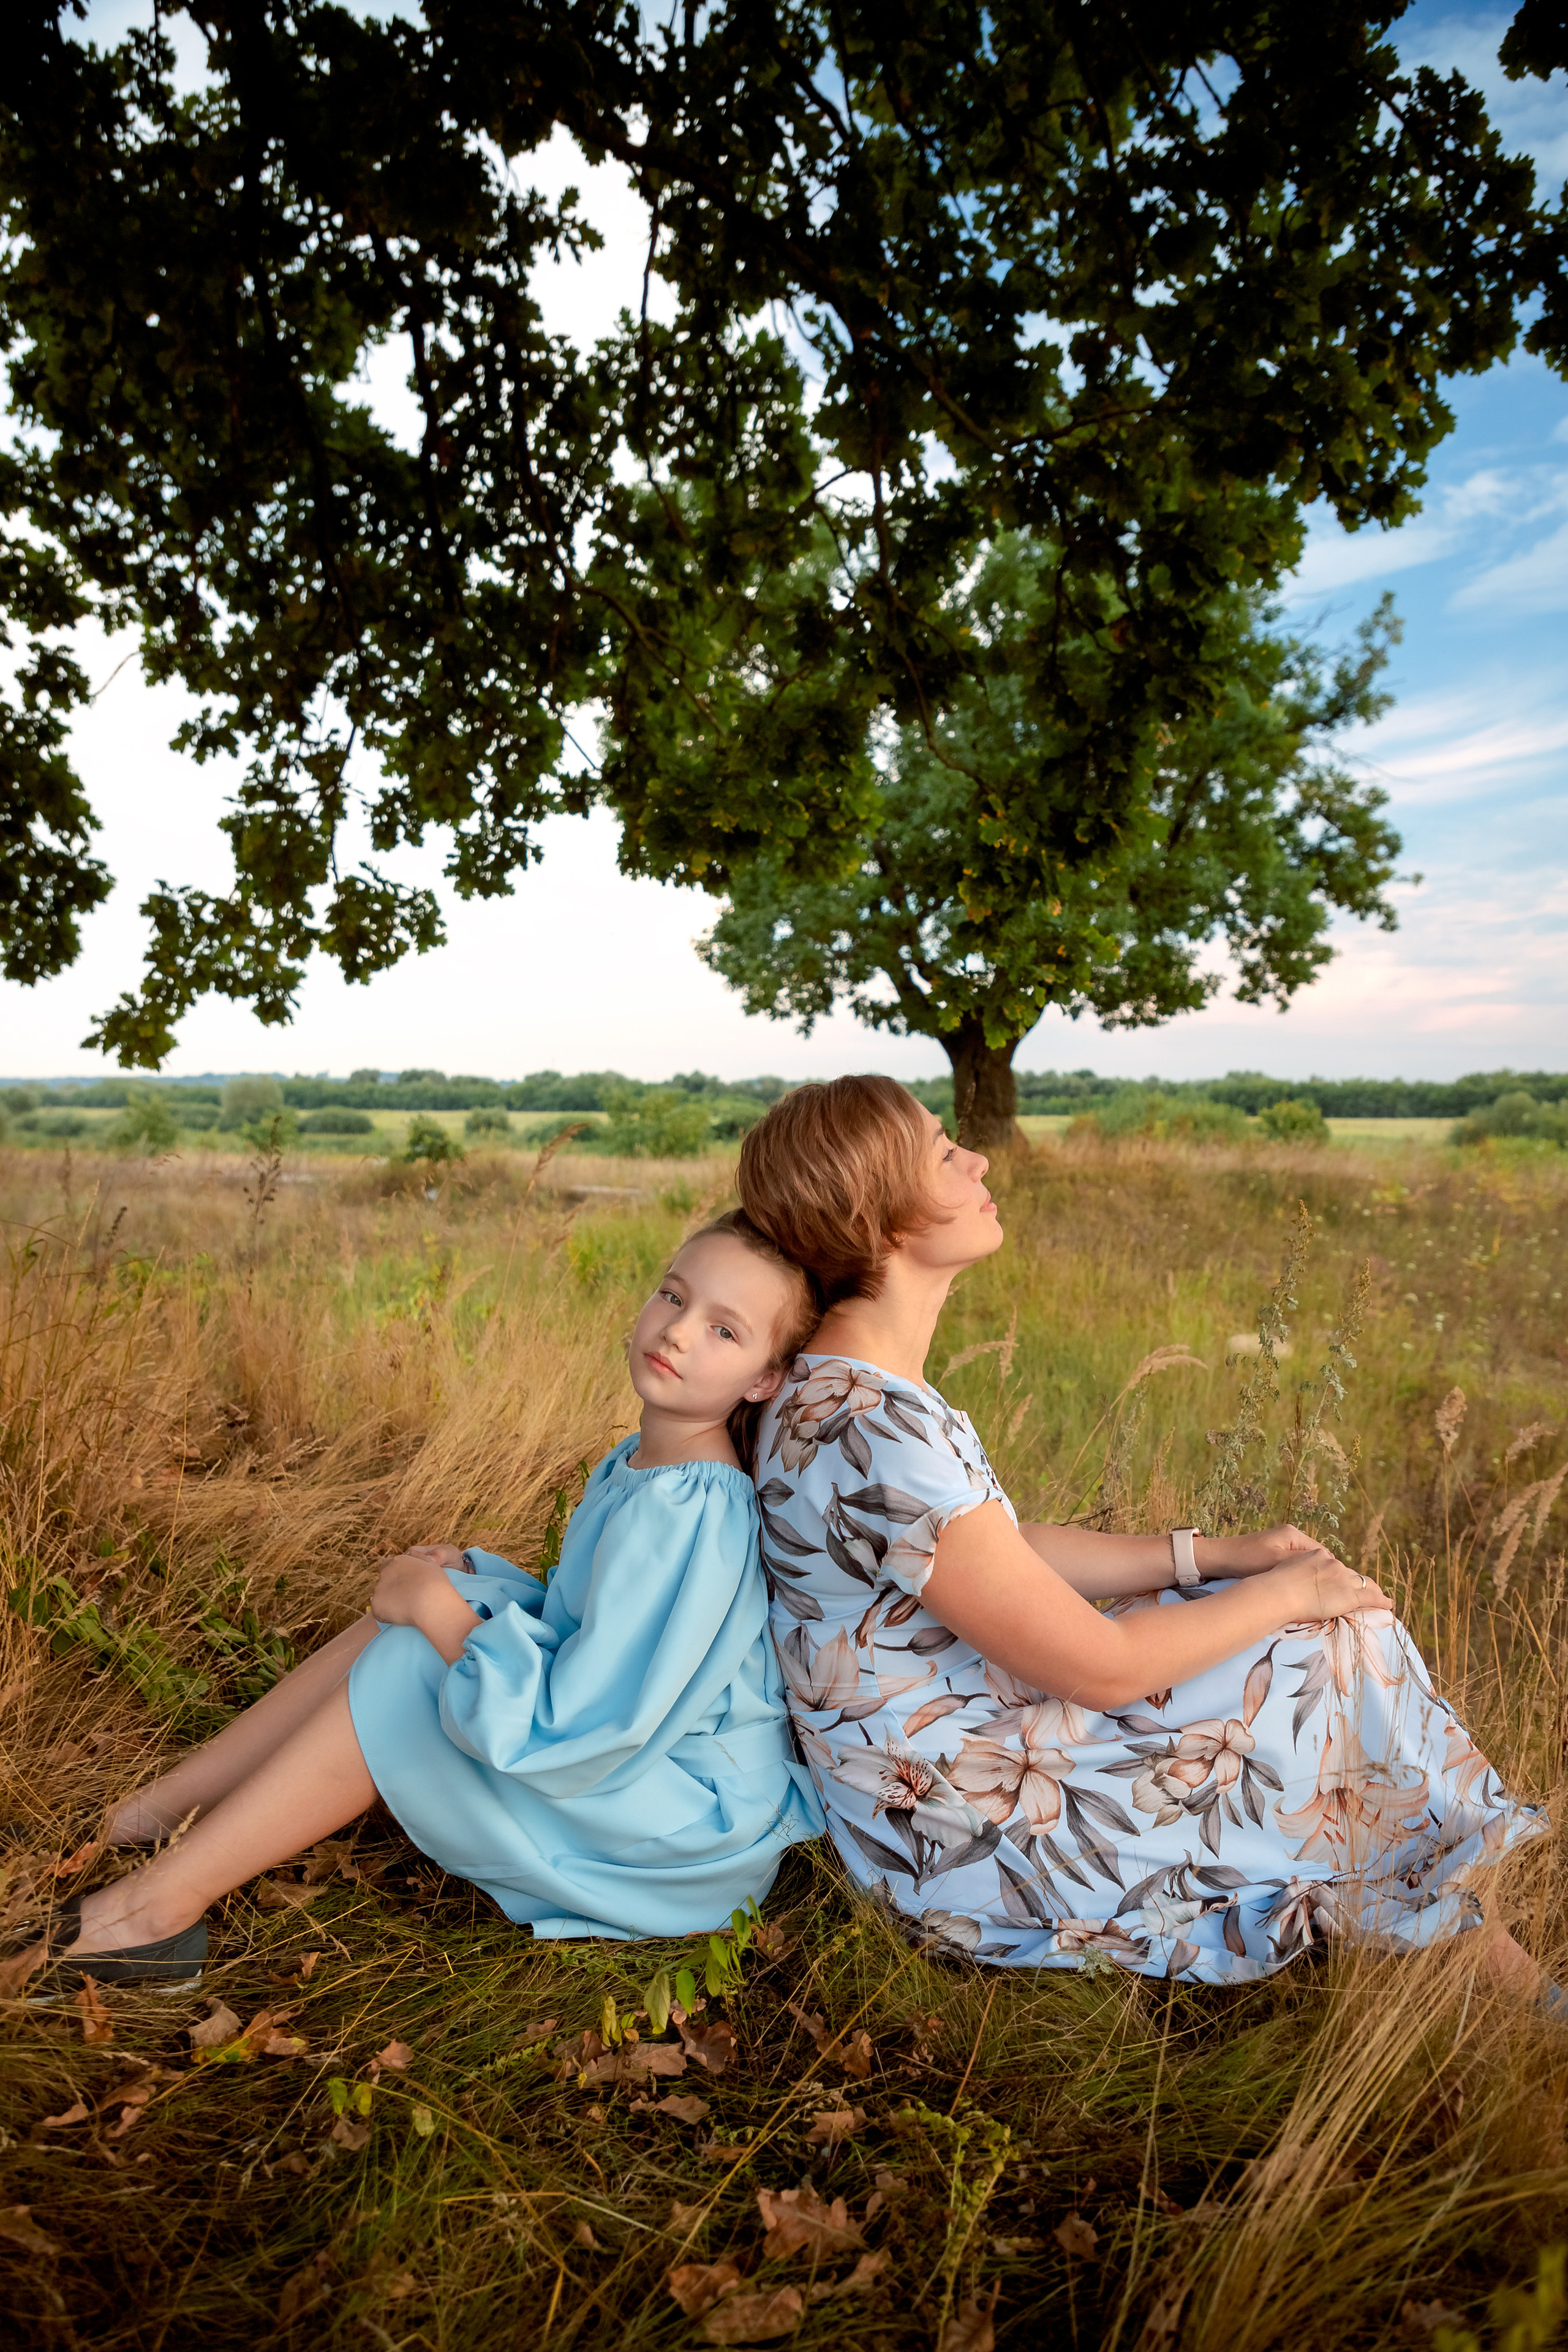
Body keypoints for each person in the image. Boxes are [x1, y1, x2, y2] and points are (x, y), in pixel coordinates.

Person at [735, 1076, 1551, 1994]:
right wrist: (1286, 1591)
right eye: (944, 1152)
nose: (980, 1161)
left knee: (1292, 1629)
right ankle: (1463, 1944)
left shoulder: (853, 1388)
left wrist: (1209, 1556)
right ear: (875, 1215)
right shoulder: (873, 1427)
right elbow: (1105, 1669)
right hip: (967, 1827)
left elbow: (999, 1552)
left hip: (956, 1754)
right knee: (1320, 1640)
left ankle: (1452, 1925)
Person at [31, 1214, 826, 1990]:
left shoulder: (691, 1507)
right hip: (642, 1774)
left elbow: (590, 1725)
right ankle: (147, 1819)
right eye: (674, 1295)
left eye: (725, 1331)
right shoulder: (649, 1461)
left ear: (765, 1379)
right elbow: (594, 1632)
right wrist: (461, 1584)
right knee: (441, 1605)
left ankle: (150, 1916)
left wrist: (439, 1613)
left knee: (419, 1652)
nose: (678, 1332)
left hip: (683, 1831)